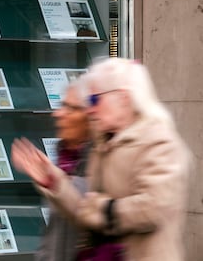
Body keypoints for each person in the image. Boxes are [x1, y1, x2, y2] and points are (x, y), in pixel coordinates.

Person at [11, 57, 191, 260]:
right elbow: (85, 213)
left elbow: (154, 208)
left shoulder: (159, 142)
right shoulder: (104, 143)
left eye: (95, 99)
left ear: (123, 98)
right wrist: (53, 181)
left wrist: (105, 209)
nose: (91, 109)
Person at [34, 80, 92, 261]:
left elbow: (87, 211)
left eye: (70, 108)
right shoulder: (65, 158)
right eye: (61, 106)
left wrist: (56, 183)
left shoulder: (103, 161)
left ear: (91, 118)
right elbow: (52, 233)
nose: (58, 114)